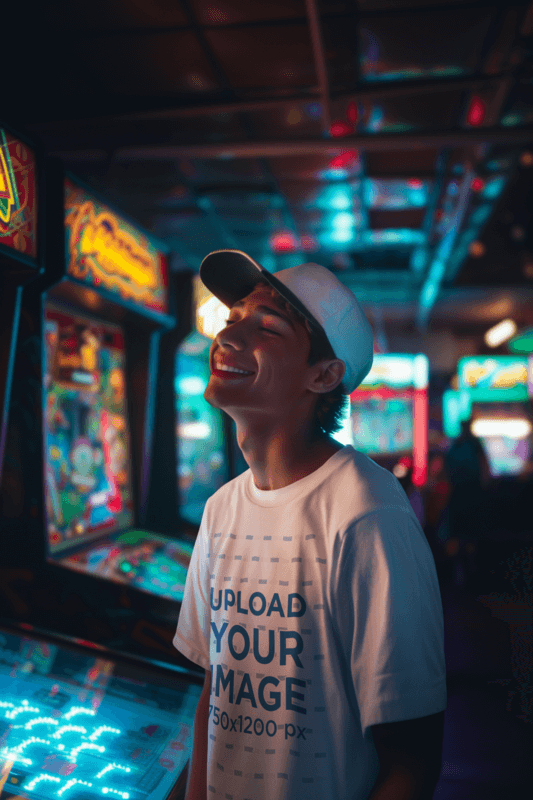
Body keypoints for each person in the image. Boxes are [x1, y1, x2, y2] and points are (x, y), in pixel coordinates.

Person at [174, 250, 447, 800]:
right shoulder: (221, 509)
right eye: (231, 321)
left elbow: (412, 761)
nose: (227, 339)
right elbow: (215, 693)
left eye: (266, 327)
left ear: (324, 375)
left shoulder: (366, 512)